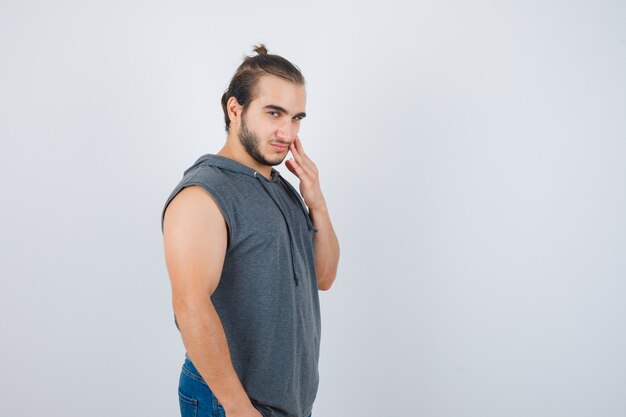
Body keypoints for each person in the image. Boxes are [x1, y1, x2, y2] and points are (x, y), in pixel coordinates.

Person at [161, 44, 340, 417]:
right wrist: (239, 408)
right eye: (274, 113)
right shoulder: (203, 193)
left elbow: (322, 277)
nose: (287, 131)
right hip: (230, 402)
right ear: (234, 109)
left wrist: (317, 203)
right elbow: (190, 306)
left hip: (285, 401)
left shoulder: (281, 186)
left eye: (296, 118)